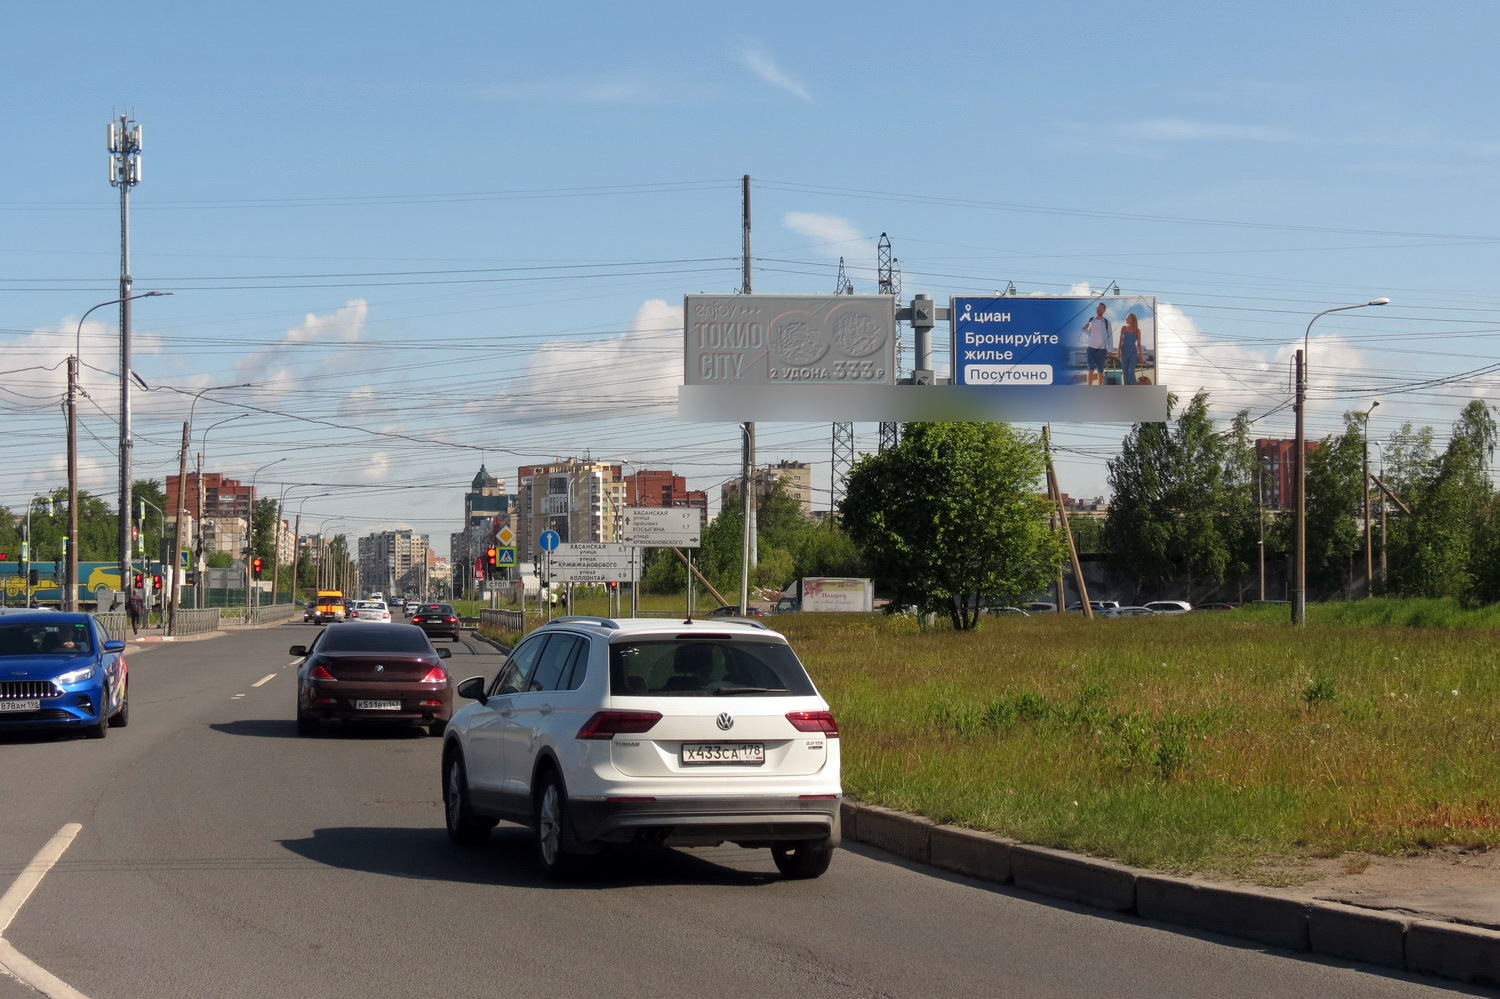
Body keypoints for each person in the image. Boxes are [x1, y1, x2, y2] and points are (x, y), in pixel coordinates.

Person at [1081, 302, 1113, 386]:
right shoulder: (1091, 320)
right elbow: (1086, 332)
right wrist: (1084, 327)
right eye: (1097, 308)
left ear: (1104, 310)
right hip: (1091, 349)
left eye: (1101, 308)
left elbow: (1110, 337)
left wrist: (1110, 350)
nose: (1098, 309)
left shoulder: (1107, 322)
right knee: (1090, 369)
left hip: (1102, 350)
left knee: (1100, 371)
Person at [1120, 312, 1145, 385]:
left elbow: (1139, 344)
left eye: (1128, 317)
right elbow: (1120, 342)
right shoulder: (1123, 328)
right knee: (1125, 373)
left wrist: (1141, 356)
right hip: (1124, 352)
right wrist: (1118, 353)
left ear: (1133, 319)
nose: (1126, 319)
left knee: (1131, 372)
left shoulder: (1137, 331)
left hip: (1133, 353)